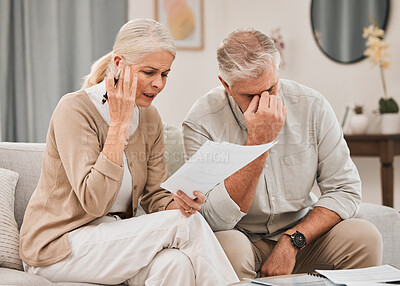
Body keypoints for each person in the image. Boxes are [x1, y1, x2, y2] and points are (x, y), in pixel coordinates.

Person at [19, 18, 238, 286]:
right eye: (149, 72)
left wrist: (178, 203)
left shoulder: (149, 118)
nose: (159, 83)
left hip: (113, 238)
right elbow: (94, 202)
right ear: (120, 64)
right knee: (185, 225)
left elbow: (155, 196)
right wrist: (119, 125)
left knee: (175, 263)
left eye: (165, 74)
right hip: (58, 247)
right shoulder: (74, 110)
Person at [182, 28, 383, 279]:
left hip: (301, 236)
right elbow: (212, 218)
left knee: (364, 236)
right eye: (251, 95)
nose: (265, 102)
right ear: (226, 85)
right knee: (228, 247)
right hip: (242, 238)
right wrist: (258, 143)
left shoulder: (312, 106)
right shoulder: (201, 122)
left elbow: (345, 189)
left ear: (278, 72)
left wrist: (293, 240)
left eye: (271, 87)